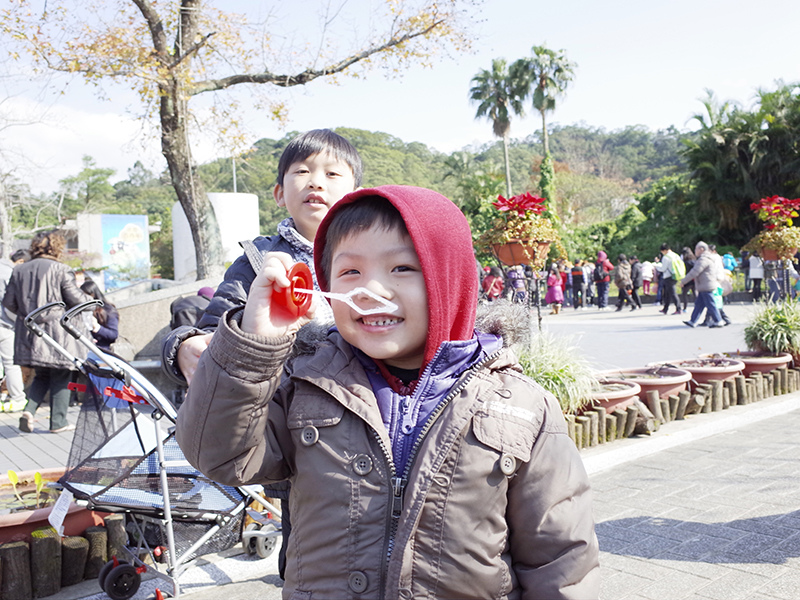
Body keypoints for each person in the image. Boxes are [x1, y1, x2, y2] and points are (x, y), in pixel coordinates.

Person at [175, 185, 600, 598]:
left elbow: (559, 558)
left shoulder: (524, 407)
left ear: (451, 280)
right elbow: (221, 457)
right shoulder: (307, 385)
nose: (371, 290)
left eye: (402, 269)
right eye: (349, 272)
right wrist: (254, 347)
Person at [161, 127, 362, 581]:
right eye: (302, 172)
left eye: (332, 173)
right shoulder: (257, 262)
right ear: (278, 193)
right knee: (308, 547)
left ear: (355, 192)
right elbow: (214, 330)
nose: (317, 181)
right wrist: (183, 347)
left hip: (369, 417)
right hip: (298, 430)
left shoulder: (371, 251)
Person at [3, 230, 91, 433]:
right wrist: (93, 302)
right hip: (56, 332)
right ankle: (58, 422)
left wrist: (28, 313)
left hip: (29, 331)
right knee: (61, 373)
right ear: (57, 247)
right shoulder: (61, 269)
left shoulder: (19, 271)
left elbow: (9, 303)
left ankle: (29, 410)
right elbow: (76, 300)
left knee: (42, 374)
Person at [0, 252, 28, 413]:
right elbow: (11, 302)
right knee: (11, 364)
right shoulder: (8, 270)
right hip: (5, 325)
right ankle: (17, 398)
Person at [680, 241, 725, 328]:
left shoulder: (703, 259)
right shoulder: (706, 258)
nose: (695, 251)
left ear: (701, 249)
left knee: (711, 304)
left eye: (696, 249)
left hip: (706, 285)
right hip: (704, 285)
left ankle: (719, 320)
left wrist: (683, 281)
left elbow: (694, 272)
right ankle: (693, 321)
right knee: (699, 304)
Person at [80, 279, 120, 352]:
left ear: (93, 294)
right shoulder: (81, 309)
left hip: (102, 351)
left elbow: (113, 335)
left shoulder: (108, 310)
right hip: (84, 349)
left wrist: (97, 328)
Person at [655, 243, 683, 315]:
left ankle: (678, 308)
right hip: (675, 275)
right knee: (667, 293)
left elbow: (663, 269)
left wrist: (656, 266)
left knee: (673, 293)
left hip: (668, 276)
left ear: (664, 250)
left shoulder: (666, 257)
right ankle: (665, 309)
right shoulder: (675, 255)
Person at [680, 246, 697, 311]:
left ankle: (685, 308)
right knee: (695, 292)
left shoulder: (685, 262)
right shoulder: (694, 261)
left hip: (687, 279)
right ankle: (697, 306)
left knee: (684, 294)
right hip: (694, 279)